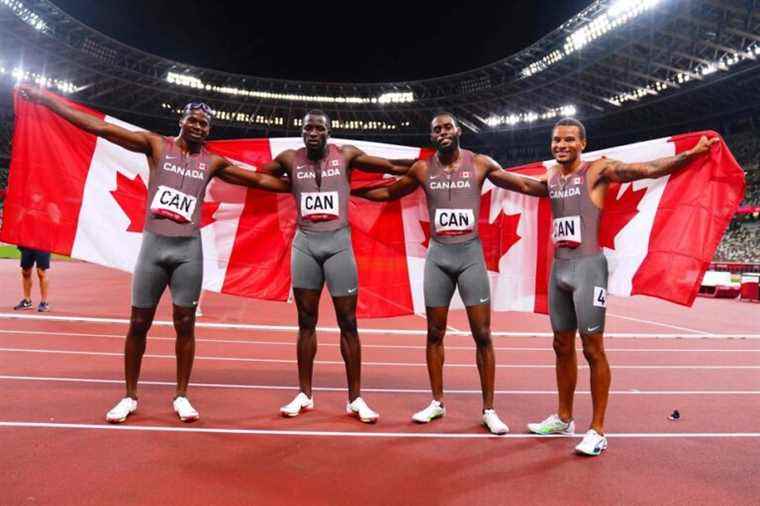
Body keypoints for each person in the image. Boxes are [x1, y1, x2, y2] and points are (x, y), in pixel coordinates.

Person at [17, 84, 291, 423]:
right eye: (194, 121)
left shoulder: (212, 161)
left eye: (205, 125)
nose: (198, 127)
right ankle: (130, 396)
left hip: (188, 251)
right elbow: (101, 128)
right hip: (153, 249)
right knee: (138, 323)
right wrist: (46, 99)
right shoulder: (155, 145)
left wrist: (307, 182)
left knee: (185, 324)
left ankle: (182, 396)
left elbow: (259, 182)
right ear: (182, 120)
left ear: (209, 131)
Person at [522, 118, 717, 455]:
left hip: (587, 269)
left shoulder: (598, 171)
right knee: (561, 345)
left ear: (583, 143)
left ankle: (597, 430)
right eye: (556, 140)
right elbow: (520, 185)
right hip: (559, 270)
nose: (561, 146)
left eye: (569, 140)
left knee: (592, 348)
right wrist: (478, 172)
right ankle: (564, 418)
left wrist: (693, 154)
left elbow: (650, 169)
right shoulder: (551, 179)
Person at [352, 113, 547, 434]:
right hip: (439, 257)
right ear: (431, 137)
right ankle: (436, 402)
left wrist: (562, 187)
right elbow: (389, 192)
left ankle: (489, 410)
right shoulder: (423, 168)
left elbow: (523, 184)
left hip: (470, 256)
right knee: (434, 333)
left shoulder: (480, 163)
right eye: (435, 130)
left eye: (446, 127)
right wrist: (350, 192)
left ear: (458, 131)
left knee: (482, 334)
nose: (442, 133)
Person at [258, 110, 413, 423]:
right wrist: (220, 169)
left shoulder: (347, 156)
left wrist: (435, 161)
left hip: (338, 245)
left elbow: (391, 167)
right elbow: (258, 176)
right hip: (305, 245)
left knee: (348, 322)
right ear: (301, 132)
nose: (313, 133)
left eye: (319, 128)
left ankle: (355, 399)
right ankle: (305, 394)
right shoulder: (290, 159)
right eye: (308, 128)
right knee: (306, 321)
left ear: (329, 132)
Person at [13, 246, 51, 312]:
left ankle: (44, 302)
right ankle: (27, 301)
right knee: (25, 271)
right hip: (28, 244)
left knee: (41, 272)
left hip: (43, 244)